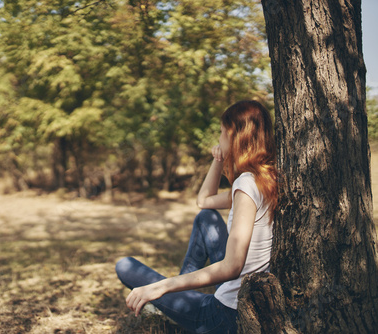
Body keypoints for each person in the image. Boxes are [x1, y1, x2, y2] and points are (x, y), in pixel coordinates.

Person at [115, 100, 278, 333]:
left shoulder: (245, 185)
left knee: (125, 266)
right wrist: (218, 160)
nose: (219, 141)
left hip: (225, 315)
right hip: (246, 301)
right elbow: (204, 202)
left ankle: (176, 304)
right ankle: (181, 300)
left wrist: (161, 287)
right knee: (206, 218)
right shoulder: (265, 179)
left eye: (222, 134)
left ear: (236, 138)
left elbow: (232, 266)